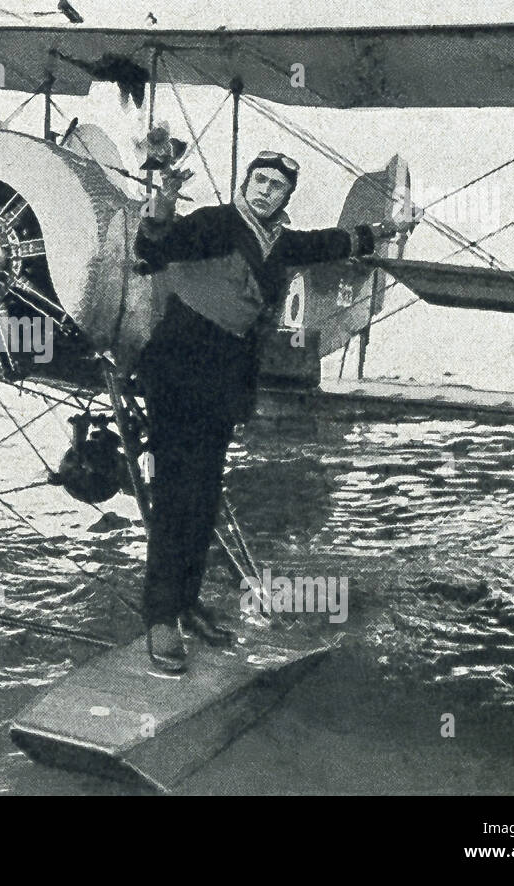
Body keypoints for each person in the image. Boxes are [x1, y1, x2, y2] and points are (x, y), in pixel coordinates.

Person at [132, 148, 403, 673]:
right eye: (258, 180)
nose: (264, 191)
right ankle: (160, 618)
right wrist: (162, 202)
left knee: (205, 494)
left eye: (275, 187)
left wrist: (386, 228)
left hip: (224, 381)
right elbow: (155, 249)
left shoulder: (279, 242)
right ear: (246, 182)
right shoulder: (215, 222)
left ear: (285, 198)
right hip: (178, 371)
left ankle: (187, 604)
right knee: (174, 495)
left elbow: (331, 242)